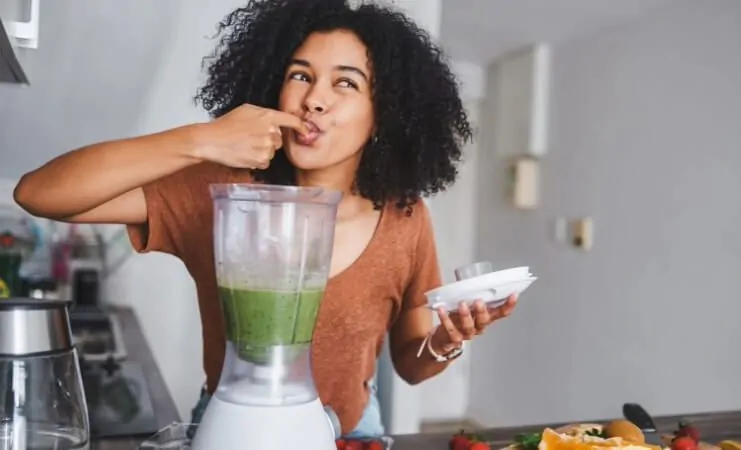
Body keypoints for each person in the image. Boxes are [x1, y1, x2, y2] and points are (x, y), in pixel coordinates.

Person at [13, 0, 518, 439]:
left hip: (353, 433)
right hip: (233, 425)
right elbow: (39, 194)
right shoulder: (222, 193)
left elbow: (411, 365)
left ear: (384, 113)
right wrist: (201, 140)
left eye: (346, 82)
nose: (313, 98)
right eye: (300, 75)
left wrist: (445, 342)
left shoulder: (405, 218)